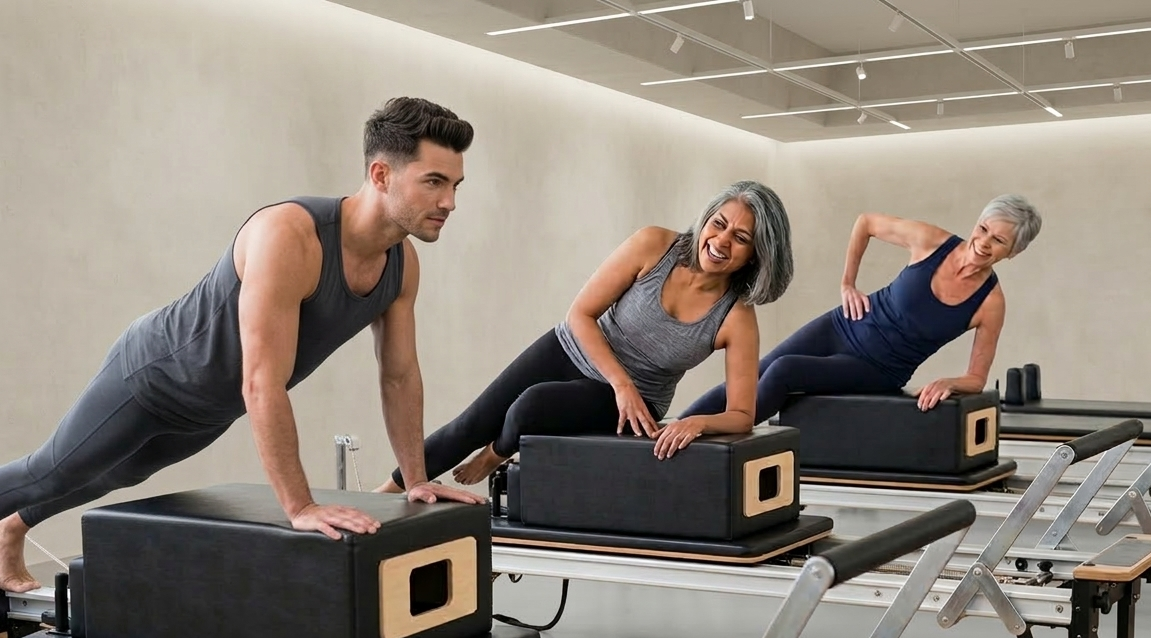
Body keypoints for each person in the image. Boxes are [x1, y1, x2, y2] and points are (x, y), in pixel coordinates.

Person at [0, 96, 486, 595]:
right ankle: (13, 519)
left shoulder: (401, 264)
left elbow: (399, 375)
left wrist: (416, 479)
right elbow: (262, 382)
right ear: (381, 175)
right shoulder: (290, 236)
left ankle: (9, 530)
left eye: (454, 185)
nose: (449, 202)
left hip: (208, 409)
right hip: (152, 377)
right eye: (434, 182)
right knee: (52, 472)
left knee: (109, 478)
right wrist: (299, 506)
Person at [374, 180, 795, 493]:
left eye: (740, 238)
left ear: (757, 253)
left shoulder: (737, 318)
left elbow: (742, 413)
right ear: (706, 220)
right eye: (719, 224)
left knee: (529, 409)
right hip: (574, 350)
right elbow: (581, 314)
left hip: (634, 404)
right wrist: (621, 382)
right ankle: (383, 498)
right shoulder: (655, 244)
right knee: (467, 425)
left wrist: (697, 422)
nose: (721, 241)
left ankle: (496, 453)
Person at [679, 194, 1042, 424]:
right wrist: (847, 284)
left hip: (878, 368)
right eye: (982, 229)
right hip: (844, 324)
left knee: (784, 371)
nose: (982, 243)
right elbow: (865, 222)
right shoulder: (933, 241)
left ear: (1014, 252)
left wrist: (949, 381)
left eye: (998, 241)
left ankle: (707, 440)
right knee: (753, 371)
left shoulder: (991, 304)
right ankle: (671, 432)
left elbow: (976, 378)